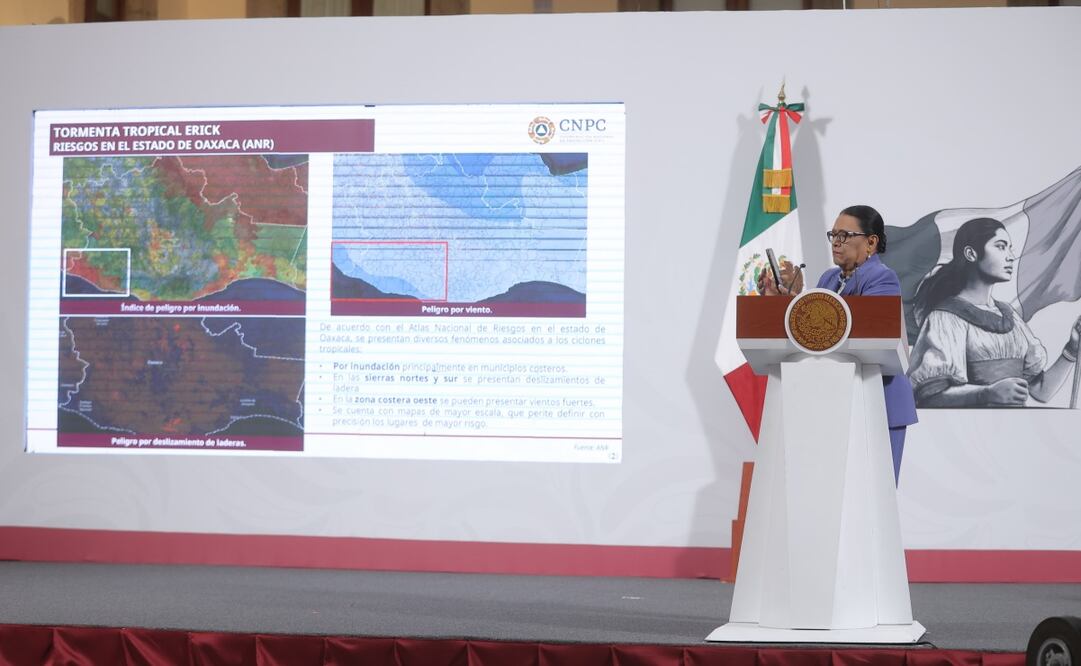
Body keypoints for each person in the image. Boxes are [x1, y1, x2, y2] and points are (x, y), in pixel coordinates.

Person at [759, 204, 918, 482]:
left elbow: (859, 326)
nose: (836, 242)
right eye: (833, 234)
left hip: (879, 401)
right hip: (833, 401)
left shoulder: (883, 278)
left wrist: (804, 305)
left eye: (844, 235)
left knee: (872, 496)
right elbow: (814, 334)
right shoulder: (828, 279)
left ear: (871, 242)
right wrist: (785, 303)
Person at [907, 217, 1081, 407]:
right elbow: (929, 396)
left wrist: (1071, 349)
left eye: (1009, 247)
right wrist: (986, 394)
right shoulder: (945, 318)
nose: (1010, 256)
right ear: (971, 253)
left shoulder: (1011, 317)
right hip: (968, 433)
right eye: (1000, 246)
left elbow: (1041, 391)